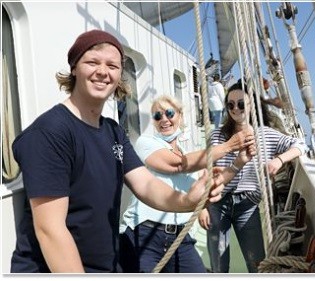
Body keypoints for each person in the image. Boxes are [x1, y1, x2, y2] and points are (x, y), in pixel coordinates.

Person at [9, 29, 224, 273]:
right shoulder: (50, 132)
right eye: (92, 62)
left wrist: (187, 201)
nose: (103, 71)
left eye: (112, 65)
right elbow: (50, 231)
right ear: (74, 68)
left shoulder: (114, 131)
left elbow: (145, 185)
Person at [119, 95, 255, 273]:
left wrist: (238, 162)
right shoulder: (146, 143)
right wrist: (229, 146)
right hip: (144, 233)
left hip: (179, 239)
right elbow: (177, 164)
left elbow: (207, 188)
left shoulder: (190, 157)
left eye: (169, 113)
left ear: (180, 116)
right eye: (157, 116)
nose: (164, 120)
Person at [198, 81, 308, 273]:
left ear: (251, 106)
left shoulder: (266, 134)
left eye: (241, 103)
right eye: (230, 105)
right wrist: (202, 207)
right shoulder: (217, 136)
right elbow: (206, 172)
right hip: (217, 204)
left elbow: (301, 145)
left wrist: (279, 160)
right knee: (219, 266)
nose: (235, 108)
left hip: (247, 205)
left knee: (256, 263)